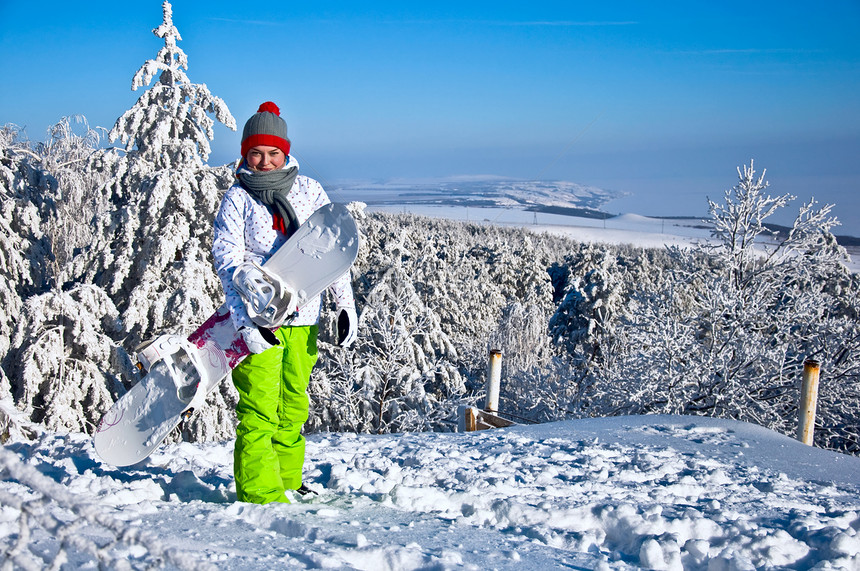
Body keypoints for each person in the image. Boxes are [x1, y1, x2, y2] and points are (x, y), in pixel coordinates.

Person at [212, 101, 357, 504]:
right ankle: (261, 493)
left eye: (272, 152)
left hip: (305, 317)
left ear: (285, 151)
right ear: (245, 154)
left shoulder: (309, 189)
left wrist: (345, 305)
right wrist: (244, 320)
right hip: (259, 321)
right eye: (256, 153)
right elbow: (227, 261)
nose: (264, 161)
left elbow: (331, 251)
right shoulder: (237, 199)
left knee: (293, 405)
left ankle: (288, 481)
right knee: (260, 408)